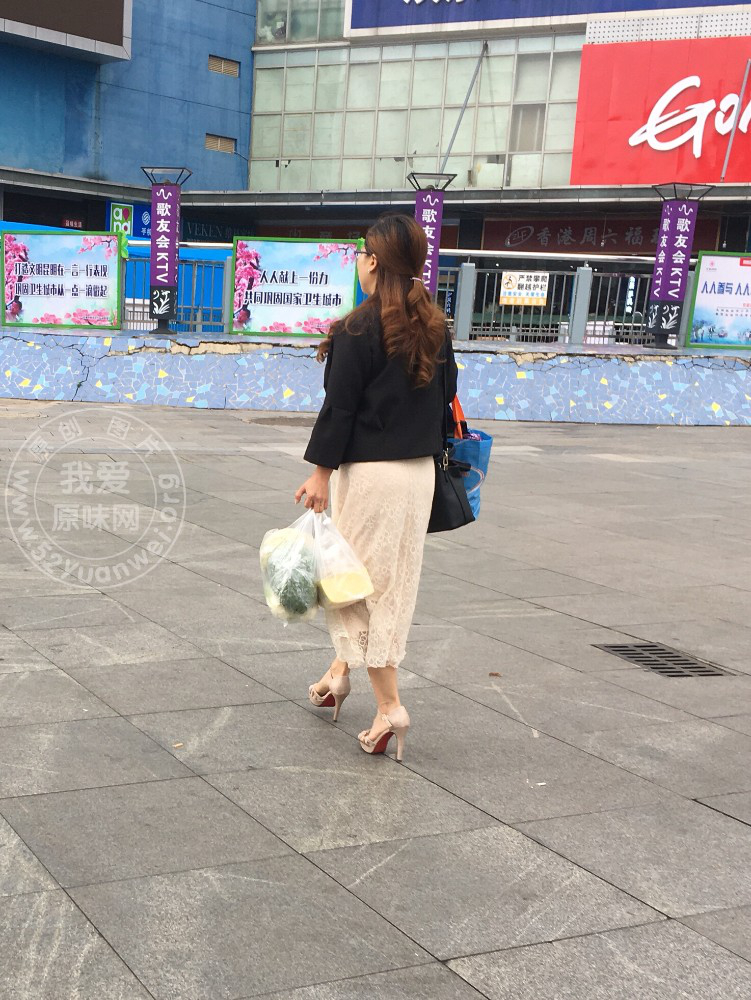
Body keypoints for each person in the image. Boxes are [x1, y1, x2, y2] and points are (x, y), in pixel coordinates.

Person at [295, 213, 458, 762]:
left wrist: (320, 473)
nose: (359, 260)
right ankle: (337, 675)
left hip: (370, 476)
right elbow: (445, 399)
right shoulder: (434, 326)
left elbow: (339, 409)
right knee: (388, 582)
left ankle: (390, 708)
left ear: (373, 261)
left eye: (362, 252)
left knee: (351, 585)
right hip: (418, 475)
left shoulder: (357, 328)